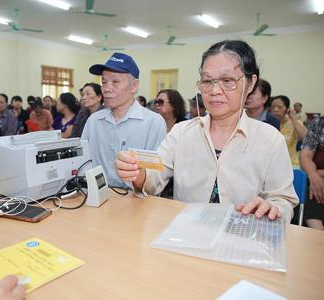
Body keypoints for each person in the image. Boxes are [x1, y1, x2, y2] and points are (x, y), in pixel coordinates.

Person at [116, 40, 298, 222]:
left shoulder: (270, 139)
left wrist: (273, 208)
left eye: (227, 81)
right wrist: (139, 175)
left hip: (241, 237)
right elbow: (154, 178)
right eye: (207, 81)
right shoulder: (182, 132)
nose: (215, 90)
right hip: (186, 232)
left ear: (250, 83)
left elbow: (283, 200)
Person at [82, 52, 166, 189]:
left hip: (137, 202)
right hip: (98, 198)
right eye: (103, 82)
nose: (107, 89)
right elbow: (83, 165)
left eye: (115, 81)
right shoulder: (94, 121)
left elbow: (155, 179)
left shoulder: (153, 123)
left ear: (134, 86)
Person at [300, 116, 324, 230]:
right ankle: (318, 234)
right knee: (307, 183)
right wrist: (313, 175)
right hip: (317, 182)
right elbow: (305, 155)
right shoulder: (319, 122)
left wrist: (317, 174)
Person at [270, 95, 307, 165]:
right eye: (273, 107)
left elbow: (306, 138)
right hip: (272, 163)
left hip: (291, 163)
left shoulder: (294, 123)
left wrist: (293, 118)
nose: (275, 110)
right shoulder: (268, 123)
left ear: (287, 109)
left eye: (279, 107)